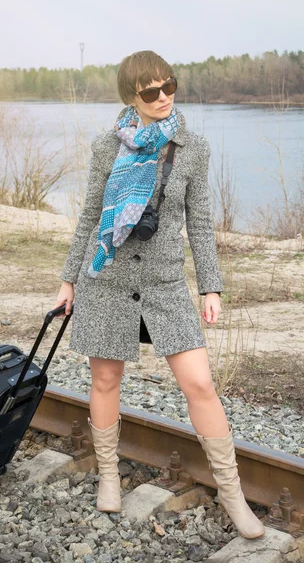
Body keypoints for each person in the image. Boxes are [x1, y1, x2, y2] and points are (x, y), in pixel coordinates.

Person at [55, 50, 264, 540]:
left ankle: (232, 495)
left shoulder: (193, 147)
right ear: (132, 96)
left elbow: (201, 222)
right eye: (151, 91)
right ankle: (109, 475)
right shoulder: (108, 147)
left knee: (200, 386)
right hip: (107, 280)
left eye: (170, 85)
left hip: (166, 284)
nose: (164, 96)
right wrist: (68, 279)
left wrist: (211, 285)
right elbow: (91, 217)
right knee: (106, 382)